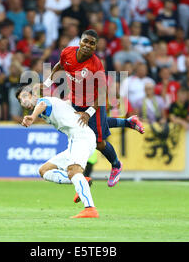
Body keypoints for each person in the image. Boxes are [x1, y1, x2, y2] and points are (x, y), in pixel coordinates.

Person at [43, 29, 145, 187]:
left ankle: (116, 165)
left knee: (99, 142)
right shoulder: (67, 52)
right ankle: (128, 122)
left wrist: (89, 113)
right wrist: (46, 84)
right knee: (94, 126)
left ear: (95, 47)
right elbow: (60, 65)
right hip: (76, 100)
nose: (87, 45)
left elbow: (103, 93)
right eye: (85, 41)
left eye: (92, 43)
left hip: (94, 104)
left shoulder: (96, 65)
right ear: (80, 41)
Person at [16, 84, 98, 219]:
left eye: (25, 96)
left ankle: (90, 208)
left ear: (34, 95)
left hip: (80, 137)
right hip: (77, 139)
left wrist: (33, 116)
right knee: (44, 170)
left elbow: (42, 104)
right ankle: (80, 181)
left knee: (74, 171)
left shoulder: (45, 101)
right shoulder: (52, 104)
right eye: (20, 100)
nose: (23, 101)